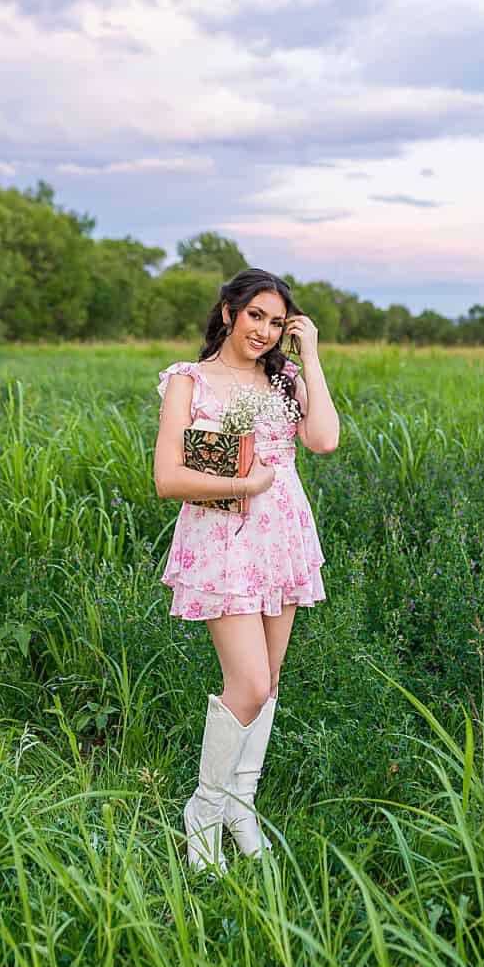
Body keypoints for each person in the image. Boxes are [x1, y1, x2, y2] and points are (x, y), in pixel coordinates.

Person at [152, 268, 339, 873]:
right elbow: (167, 479)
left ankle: (241, 802)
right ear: (229, 312)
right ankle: (204, 812)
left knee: (270, 683)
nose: (264, 330)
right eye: (255, 315)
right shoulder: (190, 381)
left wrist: (309, 355)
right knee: (250, 685)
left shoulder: (284, 379)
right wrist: (244, 482)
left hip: (282, 534)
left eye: (277, 322)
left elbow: (325, 441)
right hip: (222, 537)